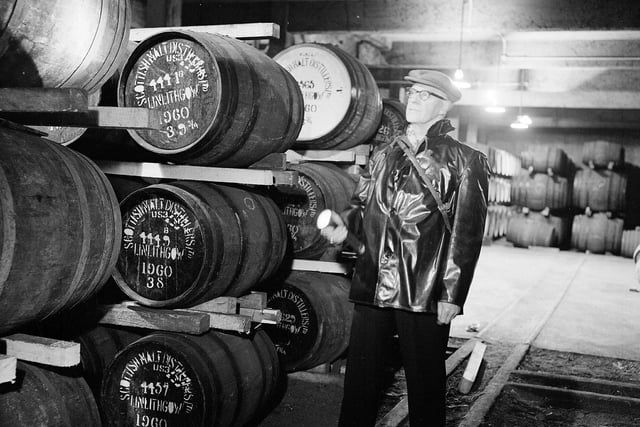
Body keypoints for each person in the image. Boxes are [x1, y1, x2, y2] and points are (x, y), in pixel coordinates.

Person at [320, 69, 490, 426]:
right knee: (360, 384)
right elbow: (361, 206)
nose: (414, 98)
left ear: (444, 108)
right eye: (413, 92)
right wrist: (343, 225)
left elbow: (467, 234)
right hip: (373, 284)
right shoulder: (384, 154)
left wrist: (452, 294)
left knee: (425, 386)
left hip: (423, 289)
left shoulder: (465, 160)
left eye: (425, 95)